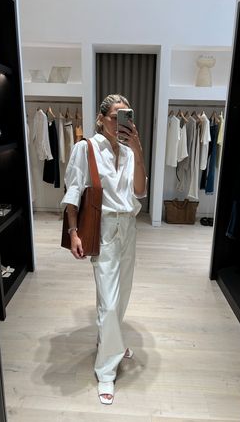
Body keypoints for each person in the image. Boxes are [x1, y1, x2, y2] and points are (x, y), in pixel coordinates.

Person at [61, 94, 147, 404]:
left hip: (129, 229)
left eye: (126, 116)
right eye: (114, 116)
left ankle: (111, 340)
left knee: (119, 296)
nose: (119, 122)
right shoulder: (85, 148)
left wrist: (136, 146)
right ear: (101, 118)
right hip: (104, 229)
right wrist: (73, 232)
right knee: (109, 303)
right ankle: (106, 372)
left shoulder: (128, 151)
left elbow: (140, 190)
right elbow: (73, 190)